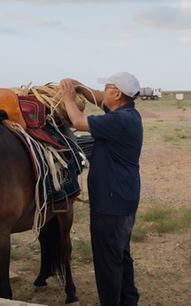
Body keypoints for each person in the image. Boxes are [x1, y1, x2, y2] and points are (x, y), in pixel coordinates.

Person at [59, 72, 143, 306]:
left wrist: (68, 97)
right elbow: (99, 99)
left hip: (110, 203)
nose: (103, 91)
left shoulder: (118, 121)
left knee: (107, 263)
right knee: (120, 255)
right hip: (122, 198)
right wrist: (81, 88)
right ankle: (129, 300)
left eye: (107, 88)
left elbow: (78, 122)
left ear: (117, 93)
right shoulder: (128, 114)